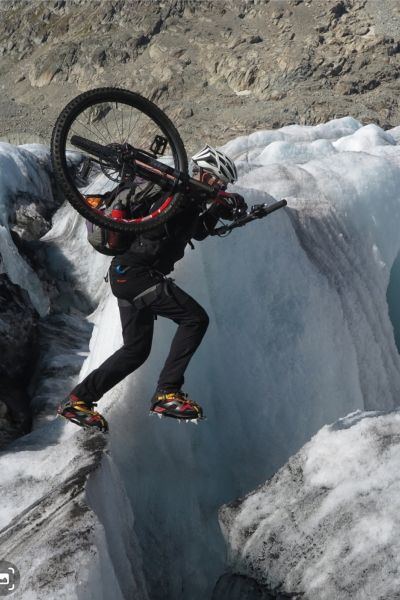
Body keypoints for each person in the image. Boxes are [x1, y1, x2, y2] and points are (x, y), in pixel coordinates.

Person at [57, 145, 247, 432]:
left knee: (135, 350)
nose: (221, 188)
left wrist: (221, 207)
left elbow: (198, 231)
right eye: (220, 182)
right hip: (137, 275)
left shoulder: (189, 201)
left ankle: (78, 400)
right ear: (207, 175)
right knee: (195, 319)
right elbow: (175, 211)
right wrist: (212, 199)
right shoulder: (176, 192)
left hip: (127, 276)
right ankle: (167, 393)